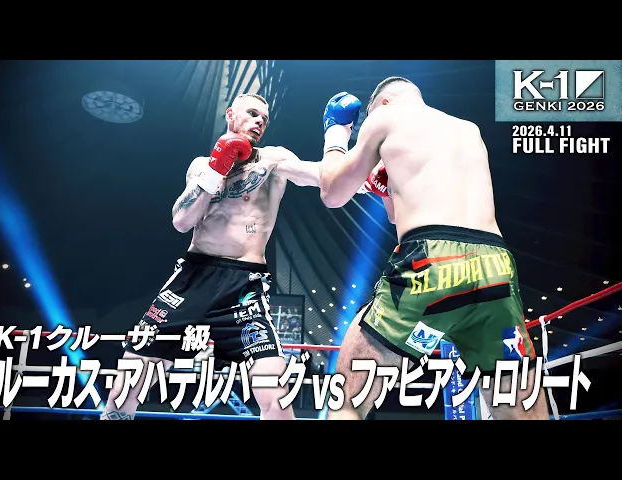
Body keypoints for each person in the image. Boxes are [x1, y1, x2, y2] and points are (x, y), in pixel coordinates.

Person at [318, 78, 549, 420]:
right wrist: (386, 189)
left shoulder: (385, 118)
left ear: (382, 105)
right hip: (495, 267)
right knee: (520, 409)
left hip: (432, 263)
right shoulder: (469, 130)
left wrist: (336, 136)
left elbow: (332, 193)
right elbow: (400, 213)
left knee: (348, 400)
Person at [100, 93, 321, 420]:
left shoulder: (273, 160)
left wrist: (368, 176)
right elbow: (181, 221)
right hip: (192, 278)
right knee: (128, 384)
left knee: (275, 396)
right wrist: (217, 168)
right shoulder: (201, 166)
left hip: (243, 286)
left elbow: (318, 175)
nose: (259, 121)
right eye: (252, 113)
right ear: (230, 115)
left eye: (264, 118)